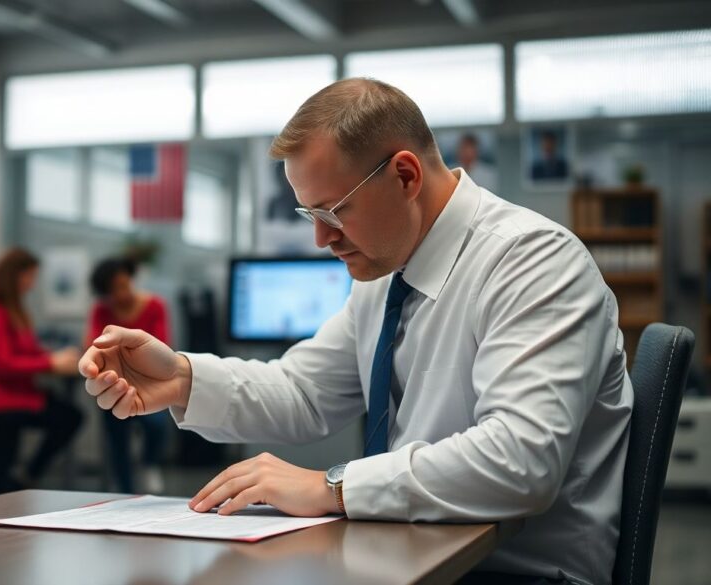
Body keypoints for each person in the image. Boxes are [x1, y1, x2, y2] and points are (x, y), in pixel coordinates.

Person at [80, 78, 631, 585]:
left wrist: (332, 486)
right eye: (309, 215)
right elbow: (304, 392)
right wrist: (181, 378)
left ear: (406, 176)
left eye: (334, 212)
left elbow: (521, 460)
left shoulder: (532, 263)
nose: (322, 239)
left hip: (517, 573)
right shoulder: (387, 272)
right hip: (419, 555)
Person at [0, 247, 83, 495]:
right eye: (30, 276)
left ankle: (20, 480)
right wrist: (51, 363)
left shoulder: (14, 311)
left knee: (68, 417)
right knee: (66, 418)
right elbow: (4, 364)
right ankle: (22, 479)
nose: (32, 283)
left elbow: (27, 350)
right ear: (14, 276)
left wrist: (56, 356)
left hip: (16, 394)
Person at [85, 257, 171, 493]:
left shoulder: (154, 305)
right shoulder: (101, 310)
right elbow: (93, 343)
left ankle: (149, 463)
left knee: (157, 425)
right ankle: (125, 491)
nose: (122, 294)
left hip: (147, 382)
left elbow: (162, 345)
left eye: (124, 285)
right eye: (114, 290)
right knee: (117, 439)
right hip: (116, 382)